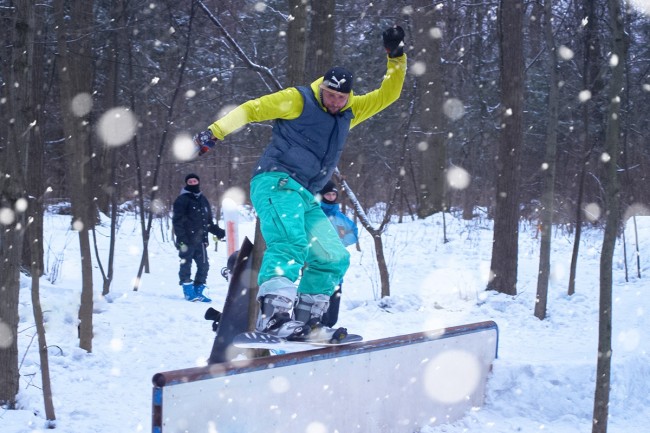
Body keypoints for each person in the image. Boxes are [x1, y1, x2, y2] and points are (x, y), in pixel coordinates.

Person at [193, 25, 406, 338]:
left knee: (333, 255)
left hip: (306, 195)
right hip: (275, 183)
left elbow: (389, 94)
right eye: (329, 95)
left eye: (340, 98)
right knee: (290, 243)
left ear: (348, 97)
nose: (334, 102)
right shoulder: (297, 99)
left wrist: (396, 57)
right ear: (321, 89)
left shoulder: (350, 111)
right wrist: (215, 132)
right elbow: (253, 110)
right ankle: (274, 317)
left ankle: (308, 321)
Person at [172, 173, 226, 302]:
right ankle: (188, 290)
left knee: (204, 266)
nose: (192, 183)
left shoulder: (203, 200)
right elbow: (177, 221)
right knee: (186, 264)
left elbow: (207, 222)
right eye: (190, 182)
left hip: (200, 240)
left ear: (198, 182)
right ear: (186, 184)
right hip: (186, 240)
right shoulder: (182, 199)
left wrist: (219, 232)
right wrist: (181, 238)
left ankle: (198, 289)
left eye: (194, 181)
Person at [318, 180, 359, 327]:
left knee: (332, 314)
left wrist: (340, 243)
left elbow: (353, 232)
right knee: (316, 308)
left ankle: (327, 330)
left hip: (336, 270)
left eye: (333, 194)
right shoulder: (315, 214)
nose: (330, 197)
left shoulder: (339, 216)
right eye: (327, 194)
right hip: (317, 268)